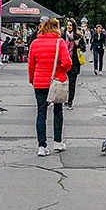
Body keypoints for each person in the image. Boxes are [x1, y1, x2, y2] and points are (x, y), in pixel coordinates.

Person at [28, 18, 72, 156]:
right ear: (56, 28)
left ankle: (42, 146)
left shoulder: (35, 43)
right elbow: (67, 63)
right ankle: (58, 142)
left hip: (40, 82)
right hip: (56, 82)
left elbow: (31, 65)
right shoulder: (60, 43)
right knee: (58, 111)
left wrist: (32, 80)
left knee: (41, 112)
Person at [63, 20, 86, 108]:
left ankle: (70, 101)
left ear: (74, 27)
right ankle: (64, 98)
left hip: (74, 63)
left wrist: (78, 45)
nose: (69, 27)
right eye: (68, 25)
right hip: (64, 62)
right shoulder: (63, 37)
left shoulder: (78, 37)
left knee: (72, 83)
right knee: (63, 82)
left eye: (70, 25)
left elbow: (84, 49)